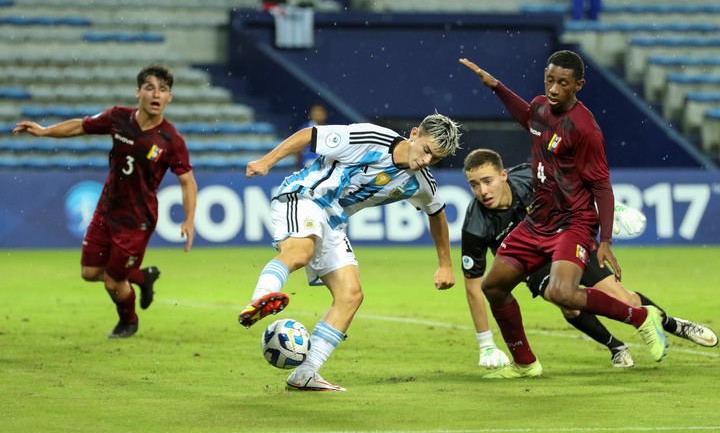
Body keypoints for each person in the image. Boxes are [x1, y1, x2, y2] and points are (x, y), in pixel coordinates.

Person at [458, 51, 668, 379]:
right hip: (538, 220)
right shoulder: (543, 108)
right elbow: (527, 117)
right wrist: (495, 85)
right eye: (550, 80)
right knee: (494, 286)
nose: (554, 88)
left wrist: (606, 239)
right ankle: (525, 363)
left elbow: (602, 185)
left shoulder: (585, 130)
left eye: (563, 83)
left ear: (578, 86)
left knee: (562, 293)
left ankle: (641, 318)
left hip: (574, 221)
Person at [238, 113, 461, 391]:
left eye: (436, 159)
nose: (427, 161)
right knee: (300, 253)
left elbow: (437, 214)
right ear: (414, 134)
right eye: (427, 150)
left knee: (351, 295)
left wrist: (445, 264)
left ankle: (305, 373)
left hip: (334, 221)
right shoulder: (371, 138)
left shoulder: (421, 181)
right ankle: (260, 299)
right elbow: (309, 135)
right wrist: (266, 161)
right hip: (305, 195)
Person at [460, 148, 718, 369]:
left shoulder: (530, 175)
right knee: (563, 298)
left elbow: (576, 187)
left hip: (568, 238)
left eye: (487, 181)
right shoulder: (475, 224)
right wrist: (486, 345)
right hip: (533, 263)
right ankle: (616, 347)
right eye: (474, 185)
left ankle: (675, 325)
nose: (483, 191)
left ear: (503, 175)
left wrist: (611, 208)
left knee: (623, 298)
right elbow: (474, 287)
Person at [12, 64, 197, 339]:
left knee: (112, 280)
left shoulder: (171, 140)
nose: (156, 94)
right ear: (138, 93)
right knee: (89, 272)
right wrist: (43, 131)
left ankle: (128, 321)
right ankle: (142, 277)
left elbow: (187, 181)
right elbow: (80, 126)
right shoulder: (118, 118)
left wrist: (189, 219)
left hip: (136, 221)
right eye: (150, 88)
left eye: (163, 89)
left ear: (169, 97)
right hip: (106, 209)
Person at [295, 103, 328, 169]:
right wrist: (299, 164)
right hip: (309, 163)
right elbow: (297, 149)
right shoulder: (304, 129)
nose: (318, 114)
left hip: (325, 164)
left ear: (325, 114)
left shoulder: (329, 129)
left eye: (320, 111)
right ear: (311, 114)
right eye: (315, 111)